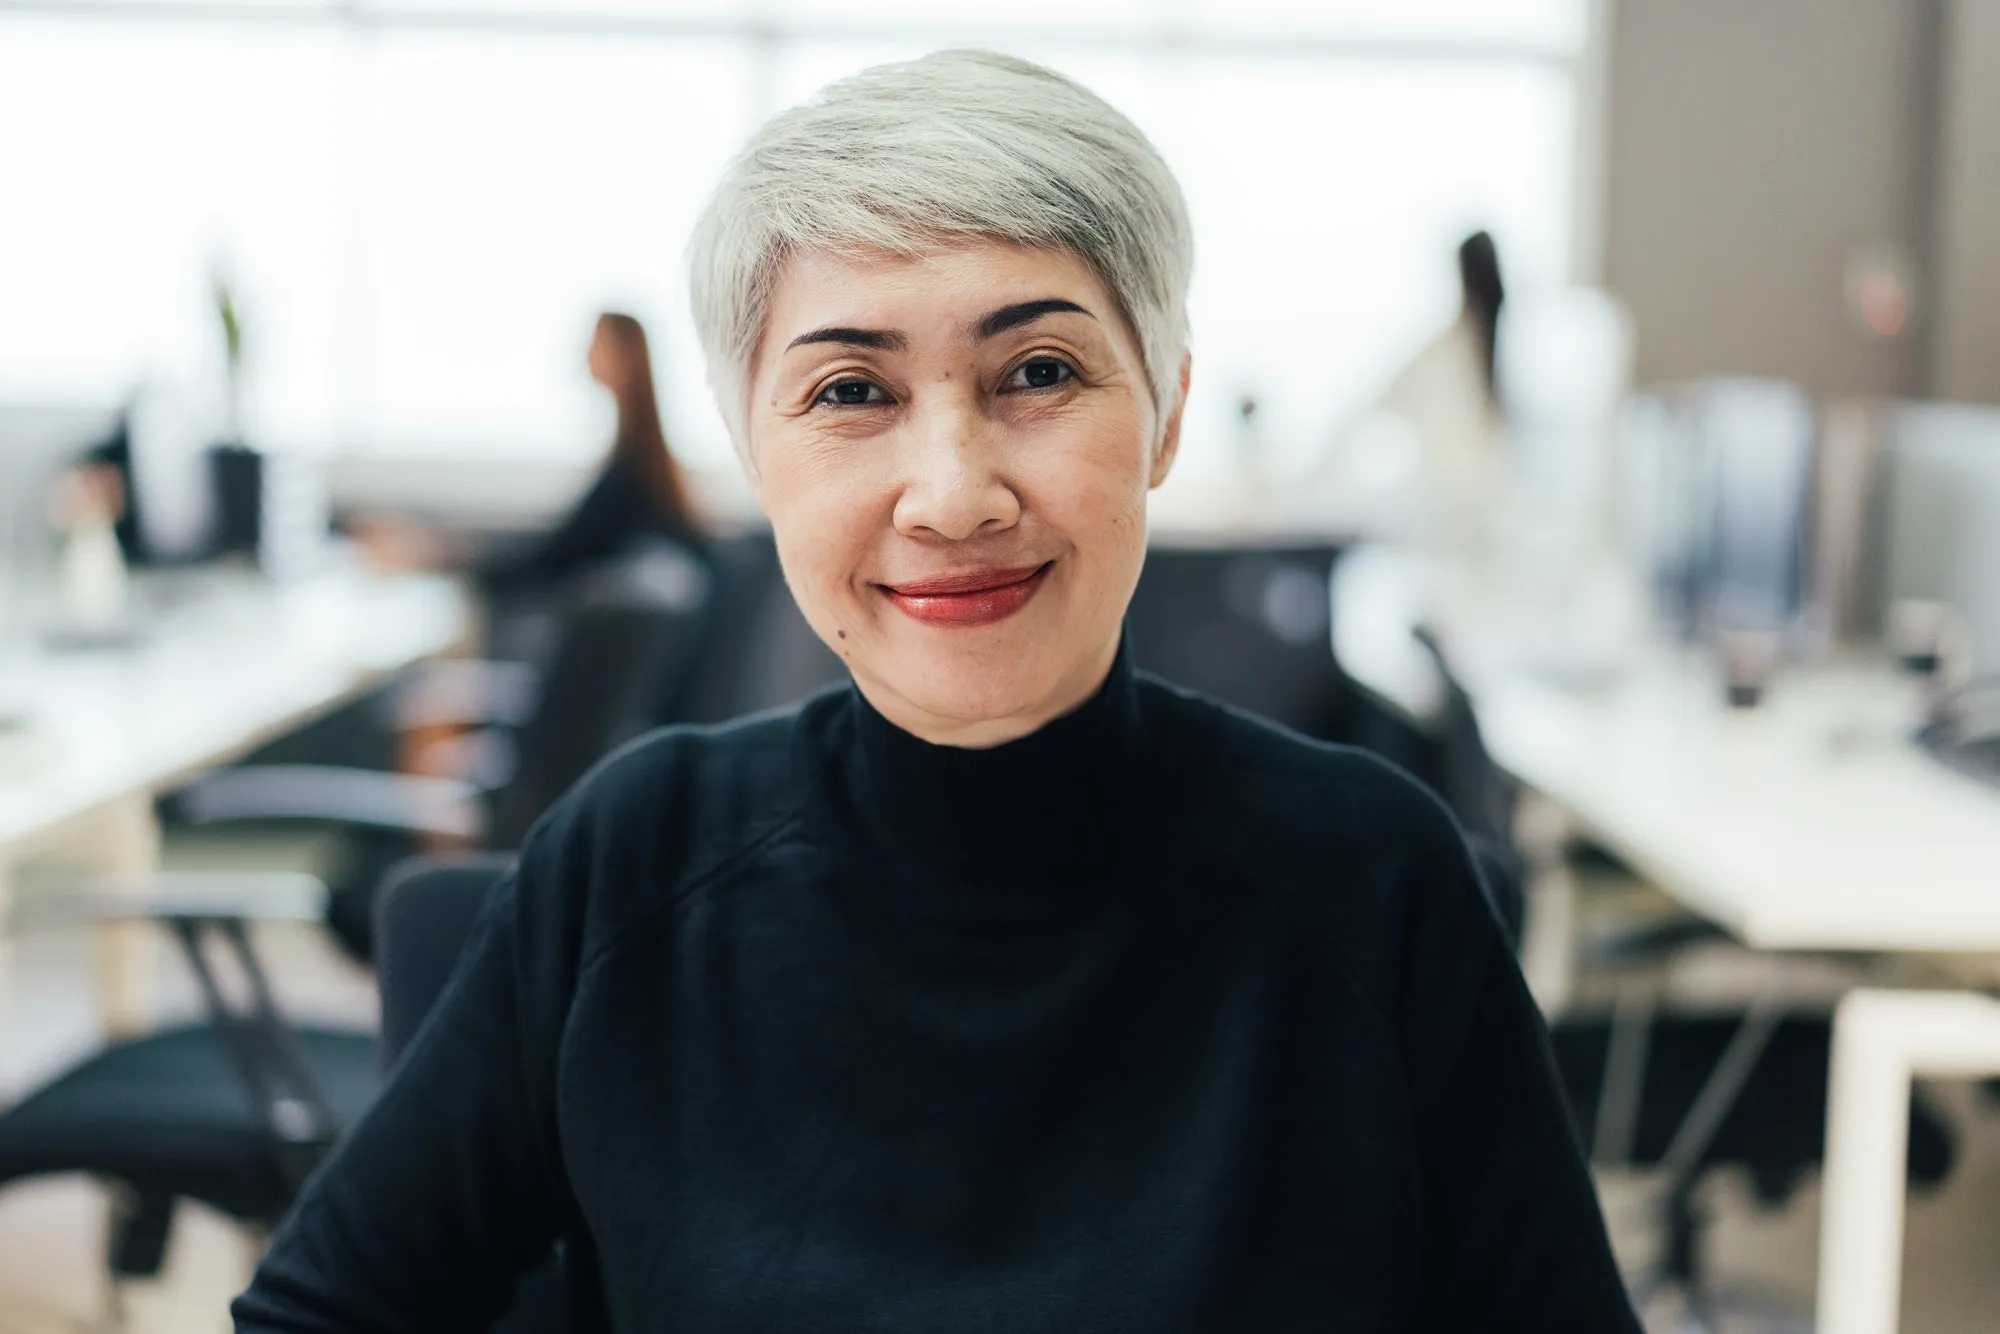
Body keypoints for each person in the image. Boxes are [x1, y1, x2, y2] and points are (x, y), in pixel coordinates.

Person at [234, 51, 1639, 1332]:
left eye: (1038, 371)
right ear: (752, 448)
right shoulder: (635, 858)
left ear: (1164, 411)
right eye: (852, 393)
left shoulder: (1368, 877)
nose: (954, 494)